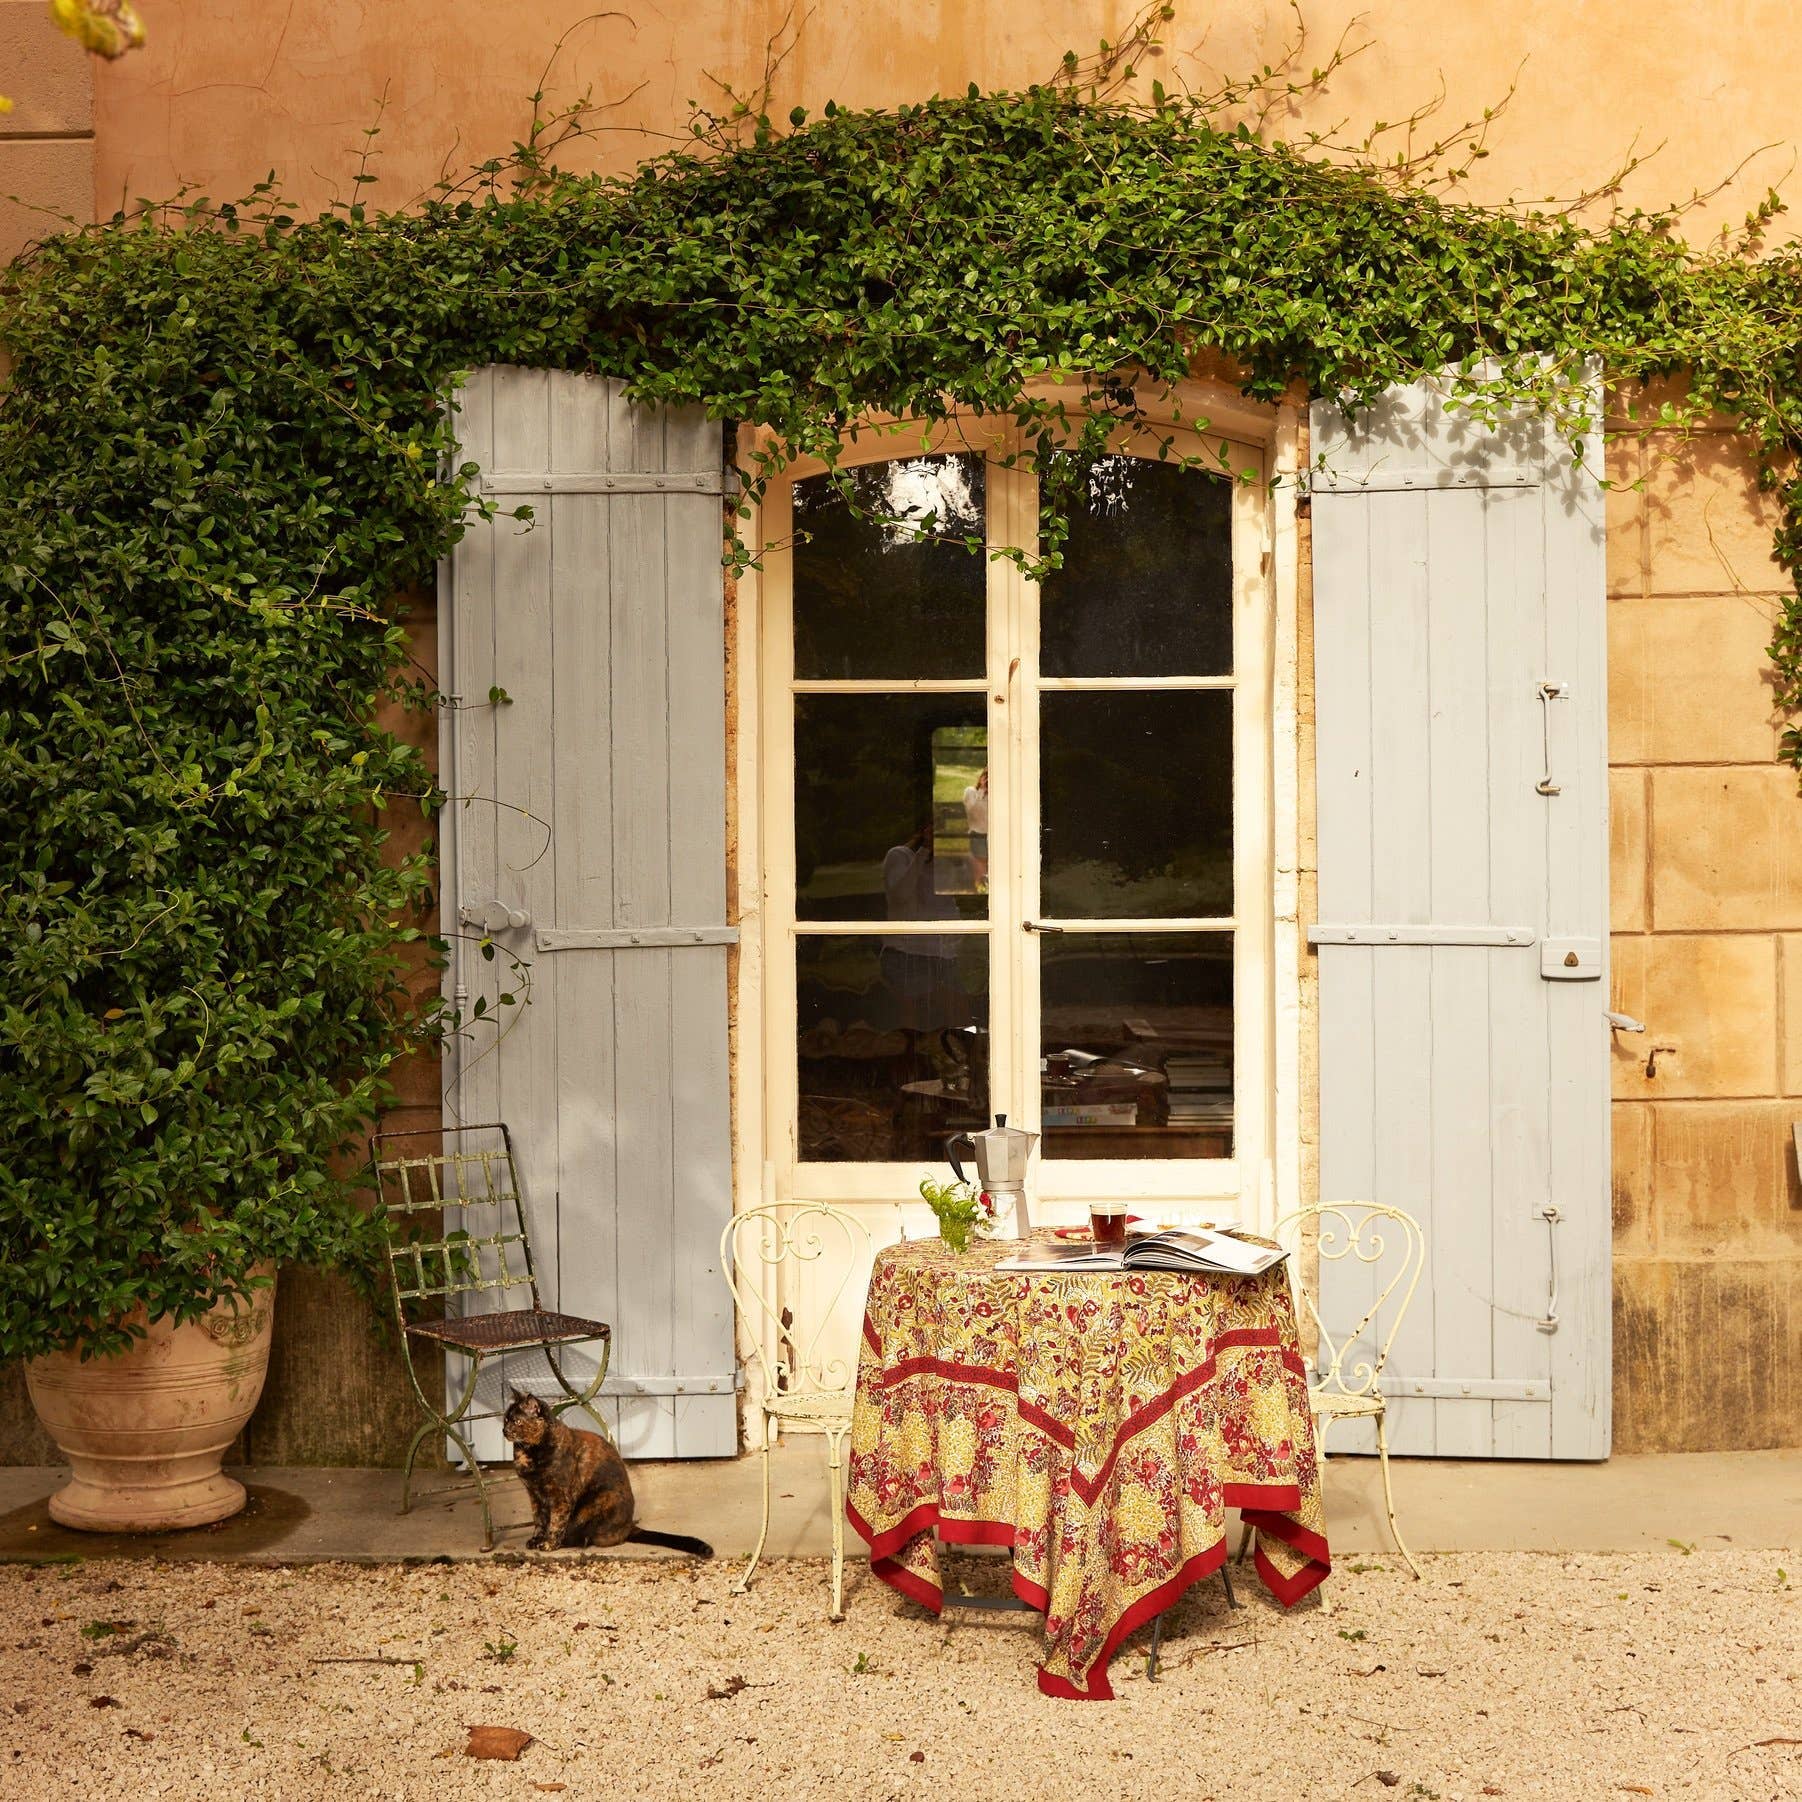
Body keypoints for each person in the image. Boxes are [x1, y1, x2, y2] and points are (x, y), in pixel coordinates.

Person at [962, 765, 990, 888]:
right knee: (981, 868)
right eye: (986, 776)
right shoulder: (970, 792)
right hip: (978, 834)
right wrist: (982, 790)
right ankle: (980, 889)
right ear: (981, 777)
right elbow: (971, 810)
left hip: (994, 836)